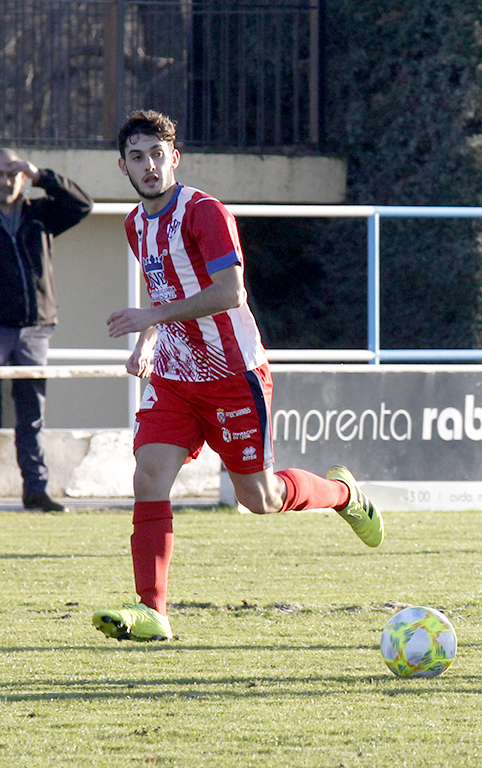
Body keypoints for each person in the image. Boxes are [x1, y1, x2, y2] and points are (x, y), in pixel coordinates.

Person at [91, 110, 383, 643]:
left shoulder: (205, 212)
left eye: (158, 154)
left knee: (259, 498)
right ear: (123, 166)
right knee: (148, 475)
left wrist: (151, 318)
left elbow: (231, 292)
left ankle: (343, 494)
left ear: (175, 158)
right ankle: (152, 611)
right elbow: (163, 291)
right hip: (175, 376)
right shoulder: (135, 224)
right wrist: (148, 341)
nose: (149, 166)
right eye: (137, 157)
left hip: (232, 374)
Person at [0, 149, 93, 512]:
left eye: (12, 173)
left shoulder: (39, 214)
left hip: (36, 329)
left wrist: (42, 176)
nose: (5, 181)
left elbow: (82, 205)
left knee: (31, 415)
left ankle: (35, 490)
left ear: (22, 177)